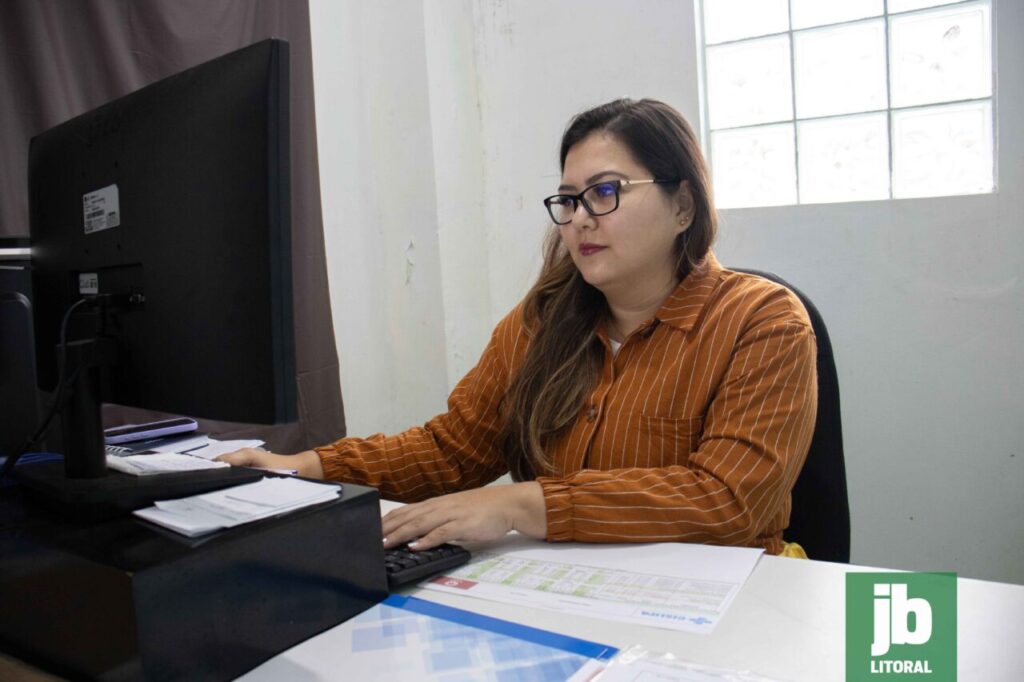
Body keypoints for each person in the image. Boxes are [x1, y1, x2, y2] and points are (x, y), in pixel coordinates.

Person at [220, 98, 818, 557]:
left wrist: (525, 503)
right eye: (567, 200)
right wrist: (310, 466)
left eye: (604, 192)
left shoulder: (762, 321)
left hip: (725, 601)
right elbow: (454, 449)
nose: (579, 218)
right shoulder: (541, 321)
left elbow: (728, 499)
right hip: (564, 586)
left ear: (683, 205)